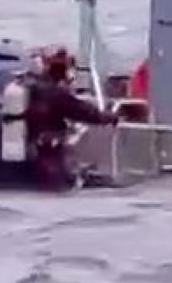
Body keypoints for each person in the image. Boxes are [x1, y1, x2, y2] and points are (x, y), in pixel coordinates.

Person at [20, 47, 119, 190]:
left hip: (34, 147)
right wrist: (109, 117)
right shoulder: (57, 94)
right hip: (50, 152)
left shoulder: (32, 88)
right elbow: (84, 112)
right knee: (61, 186)